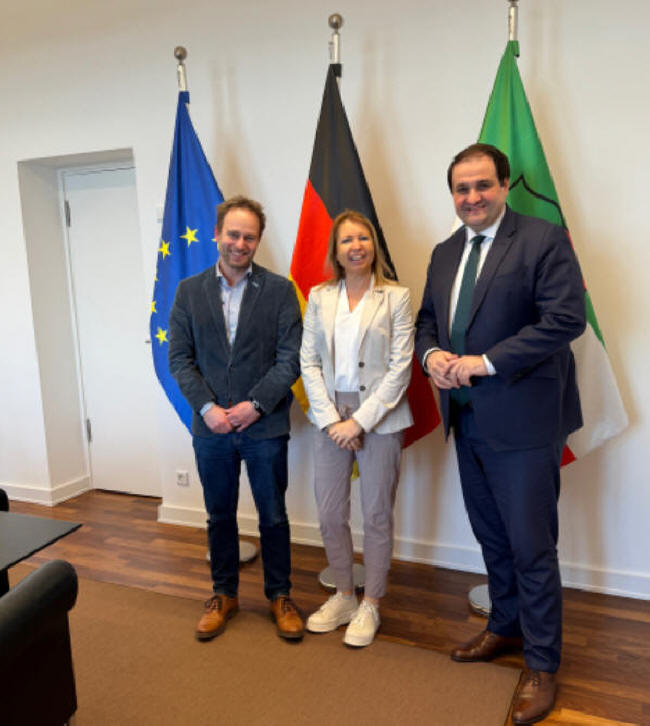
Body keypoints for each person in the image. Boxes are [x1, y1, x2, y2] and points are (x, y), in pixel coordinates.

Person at [415, 143, 585, 724]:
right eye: (461, 188)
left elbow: (565, 319)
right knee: (491, 534)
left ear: (504, 185)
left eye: (482, 185)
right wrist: (432, 356)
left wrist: (483, 362)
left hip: (525, 421)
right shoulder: (444, 252)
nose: (472, 197)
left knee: (531, 545)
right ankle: (505, 625)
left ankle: (541, 662)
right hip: (466, 420)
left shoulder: (542, 239)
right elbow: (428, 322)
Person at [168, 195, 304, 641]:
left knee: (273, 516)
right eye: (233, 234)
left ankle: (280, 595)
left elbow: (290, 359)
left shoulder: (280, 291)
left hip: (264, 426)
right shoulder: (188, 292)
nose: (239, 244)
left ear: (258, 240)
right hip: (212, 429)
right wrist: (208, 409)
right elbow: (179, 359)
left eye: (249, 237)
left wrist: (255, 405)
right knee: (218, 514)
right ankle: (224, 594)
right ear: (217, 234)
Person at [300, 210, 414, 648]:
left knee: (377, 514)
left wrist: (359, 421)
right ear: (336, 250)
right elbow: (309, 361)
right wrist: (333, 420)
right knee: (330, 513)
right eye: (347, 240)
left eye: (363, 238)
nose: (356, 246)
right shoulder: (319, 296)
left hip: (380, 416)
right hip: (330, 417)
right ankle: (345, 596)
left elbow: (401, 368)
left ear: (374, 245)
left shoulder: (396, 297)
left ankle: (372, 603)